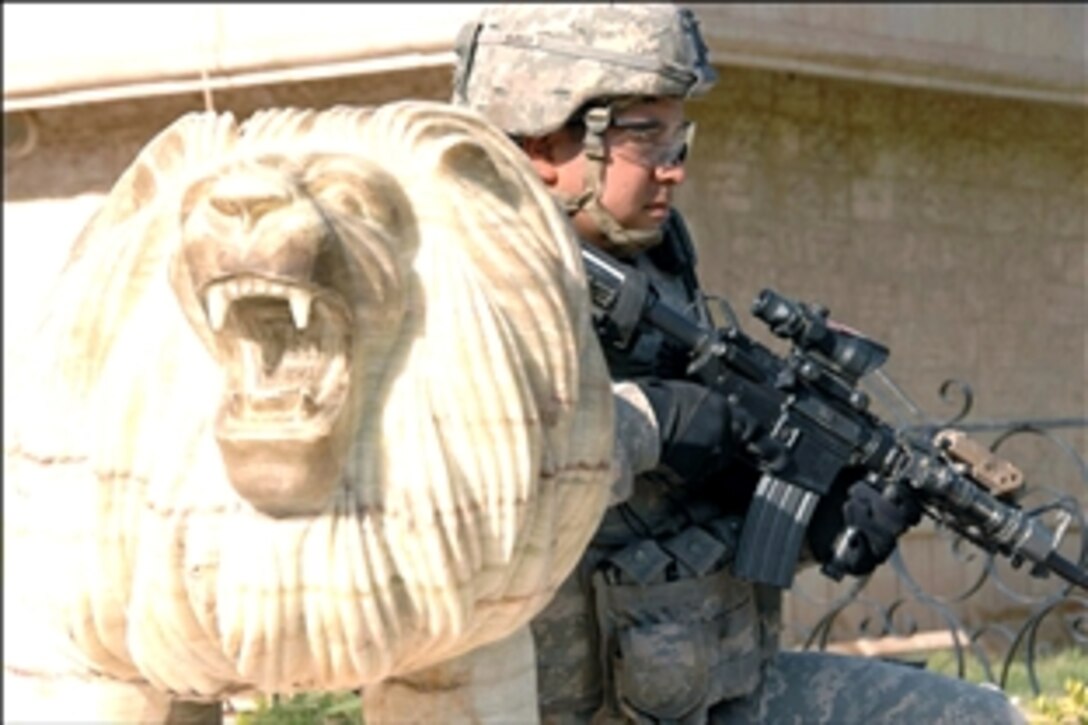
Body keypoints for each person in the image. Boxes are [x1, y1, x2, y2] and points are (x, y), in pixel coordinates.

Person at [451, 4, 1027, 724]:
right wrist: (658, 418)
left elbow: (675, 519)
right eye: (643, 135)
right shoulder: (468, 277)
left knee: (975, 717)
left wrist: (820, 517)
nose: (675, 167)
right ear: (542, 142)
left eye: (679, 135)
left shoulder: (649, 264)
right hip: (540, 706)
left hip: (704, 688)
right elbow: (473, 465)